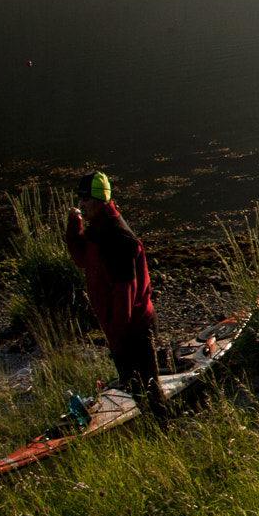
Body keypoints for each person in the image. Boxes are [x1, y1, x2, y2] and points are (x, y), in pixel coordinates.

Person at [65, 171, 159, 402]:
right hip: (117, 329)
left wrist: (117, 342)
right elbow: (81, 260)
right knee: (133, 388)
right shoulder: (96, 230)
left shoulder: (118, 240)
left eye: (86, 200)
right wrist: (73, 228)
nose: (81, 205)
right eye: (80, 200)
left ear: (101, 201)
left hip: (134, 328)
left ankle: (164, 429)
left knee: (150, 394)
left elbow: (124, 297)